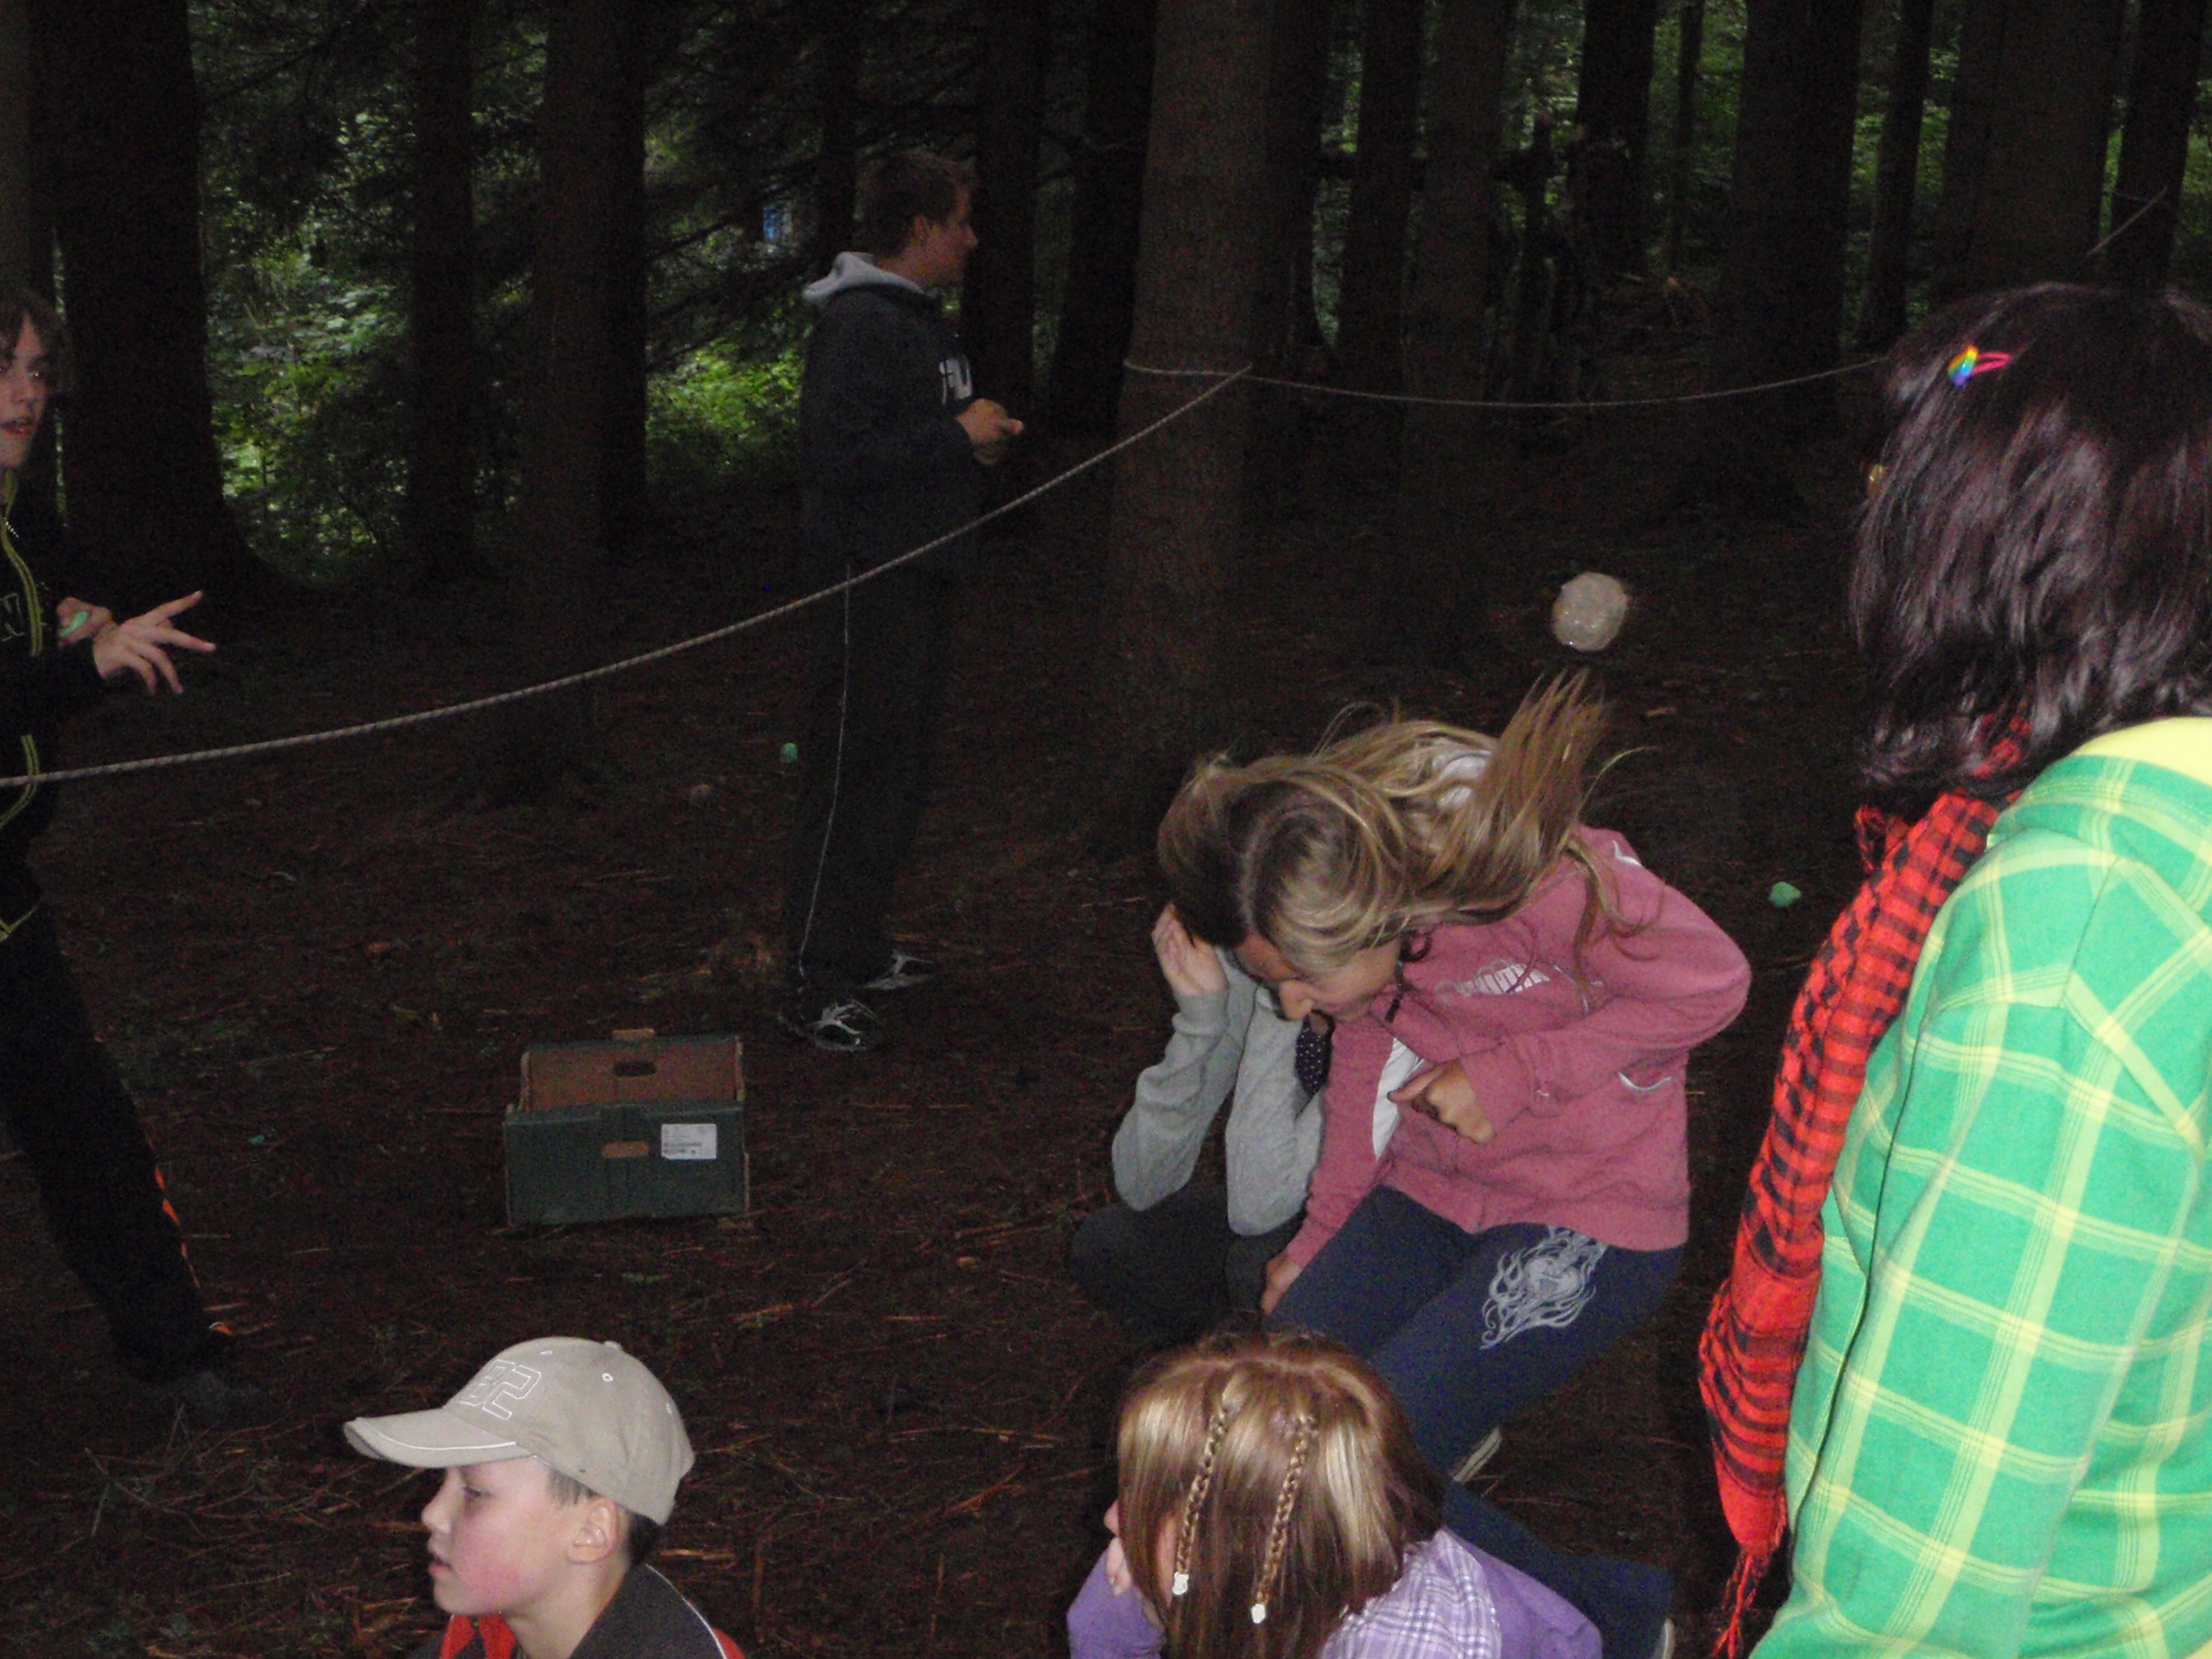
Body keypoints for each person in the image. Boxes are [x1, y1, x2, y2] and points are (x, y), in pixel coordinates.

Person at [1697, 286, 2212, 1659]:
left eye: (1900, 485)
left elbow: (1918, 1601)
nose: (1871, 521)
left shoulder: (2079, 918)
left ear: (1988, 534)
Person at [1157, 678, 1751, 1659]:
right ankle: (1401, 1578)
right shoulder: (1362, 950)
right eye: (1274, 981)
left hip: (1590, 1210)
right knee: (1277, 1417)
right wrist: (1319, 1240)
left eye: (1301, 979)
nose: (1292, 1007)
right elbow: (1361, 1065)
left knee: (1366, 1459)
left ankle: (1609, 1621)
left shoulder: (1538, 891)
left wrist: (1515, 1071)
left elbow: (1713, 984)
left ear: (1375, 916)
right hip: (1432, 1194)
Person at [0, 287, 268, 1425]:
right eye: (2, 369)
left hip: (4, 898)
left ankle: (174, 1358)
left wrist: (88, 628)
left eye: (36, 370)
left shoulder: (24, 519)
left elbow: (55, 627)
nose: (25, 395)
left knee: (87, 1128)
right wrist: (83, 665)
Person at [781, 148, 1024, 1054]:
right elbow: (835, 459)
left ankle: (857, 946)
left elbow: (913, 438)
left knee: (900, 771)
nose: (971, 239)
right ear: (920, 228)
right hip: (868, 580)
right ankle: (810, 978)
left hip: (922, 576)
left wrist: (974, 443)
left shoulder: (921, 324)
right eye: (959, 222)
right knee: (852, 773)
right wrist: (953, 436)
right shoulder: (860, 325)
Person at [1067, 1330, 1597, 1659]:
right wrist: (1146, 1594)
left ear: (1245, 1541)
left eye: (1152, 1500)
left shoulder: (1412, 1647)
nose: (1113, 1519)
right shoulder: (1300, 1574)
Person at [346, 1336, 743, 1659]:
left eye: (475, 1492)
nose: (431, 1513)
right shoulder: (478, 1641)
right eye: (442, 1483)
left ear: (590, 1532)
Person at [1070, 904, 1321, 1347]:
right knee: (1111, 1246)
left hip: (1379, 1213)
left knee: (1255, 1264)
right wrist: (1199, 1023)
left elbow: (1259, 1207)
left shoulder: (1367, 974)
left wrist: (1278, 999)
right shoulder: (1254, 955)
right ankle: (1212, 1370)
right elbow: (1142, 1183)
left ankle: (1270, 1376)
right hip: (1286, 1194)